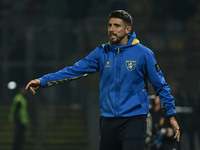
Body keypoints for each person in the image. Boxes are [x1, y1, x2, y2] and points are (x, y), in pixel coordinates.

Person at [25, 10, 180, 150]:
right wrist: (43, 80)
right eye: (110, 25)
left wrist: (171, 115)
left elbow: (161, 86)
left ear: (128, 30)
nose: (111, 29)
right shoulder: (101, 52)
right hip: (108, 122)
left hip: (134, 120)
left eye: (117, 26)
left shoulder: (143, 54)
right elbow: (73, 71)